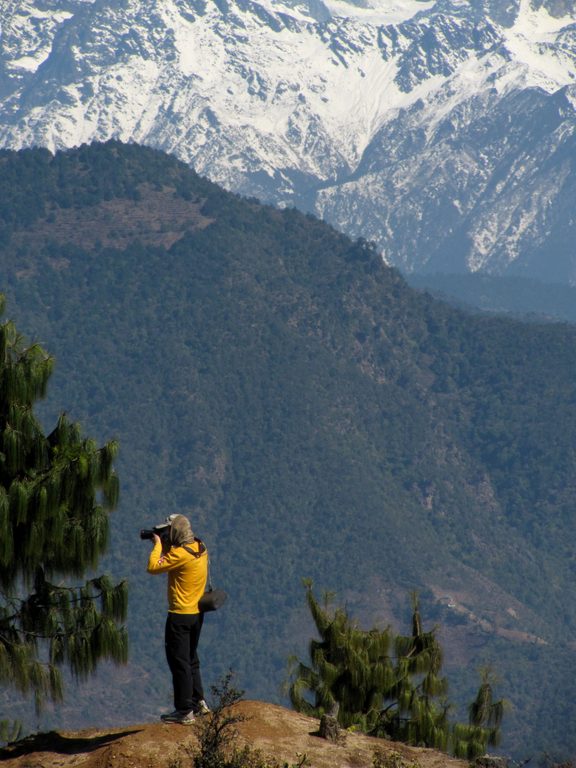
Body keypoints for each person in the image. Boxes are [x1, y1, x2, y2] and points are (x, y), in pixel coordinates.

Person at [147, 514, 211, 724]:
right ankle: (198, 702)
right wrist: (168, 546)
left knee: (179, 662)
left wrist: (157, 545)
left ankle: (184, 711)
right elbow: (179, 559)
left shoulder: (180, 555)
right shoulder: (200, 548)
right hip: (197, 614)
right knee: (191, 658)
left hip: (180, 616)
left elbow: (153, 567)